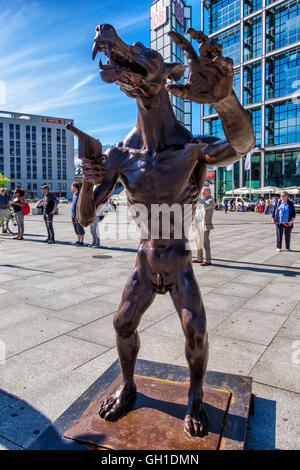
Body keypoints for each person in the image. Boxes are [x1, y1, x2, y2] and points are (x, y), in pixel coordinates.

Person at [192, 186, 215, 266]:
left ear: (208, 192)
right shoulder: (202, 200)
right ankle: (199, 258)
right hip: (198, 224)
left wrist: (198, 197)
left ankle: (208, 260)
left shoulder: (211, 200)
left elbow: (205, 206)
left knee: (206, 243)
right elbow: (198, 212)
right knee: (198, 242)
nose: (202, 192)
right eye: (202, 190)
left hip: (205, 225)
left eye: (204, 190)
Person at [71, 182, 85, 246]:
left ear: (75, 187)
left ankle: (81, 242)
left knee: (80, 228)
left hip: (78, 215)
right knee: (76, 229)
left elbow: (80, 206)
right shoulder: (74, 194)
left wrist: (78, 214)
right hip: (73, 215)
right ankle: (78, 240)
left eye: (72, 187)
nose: (71, 188)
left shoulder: (79, 195)